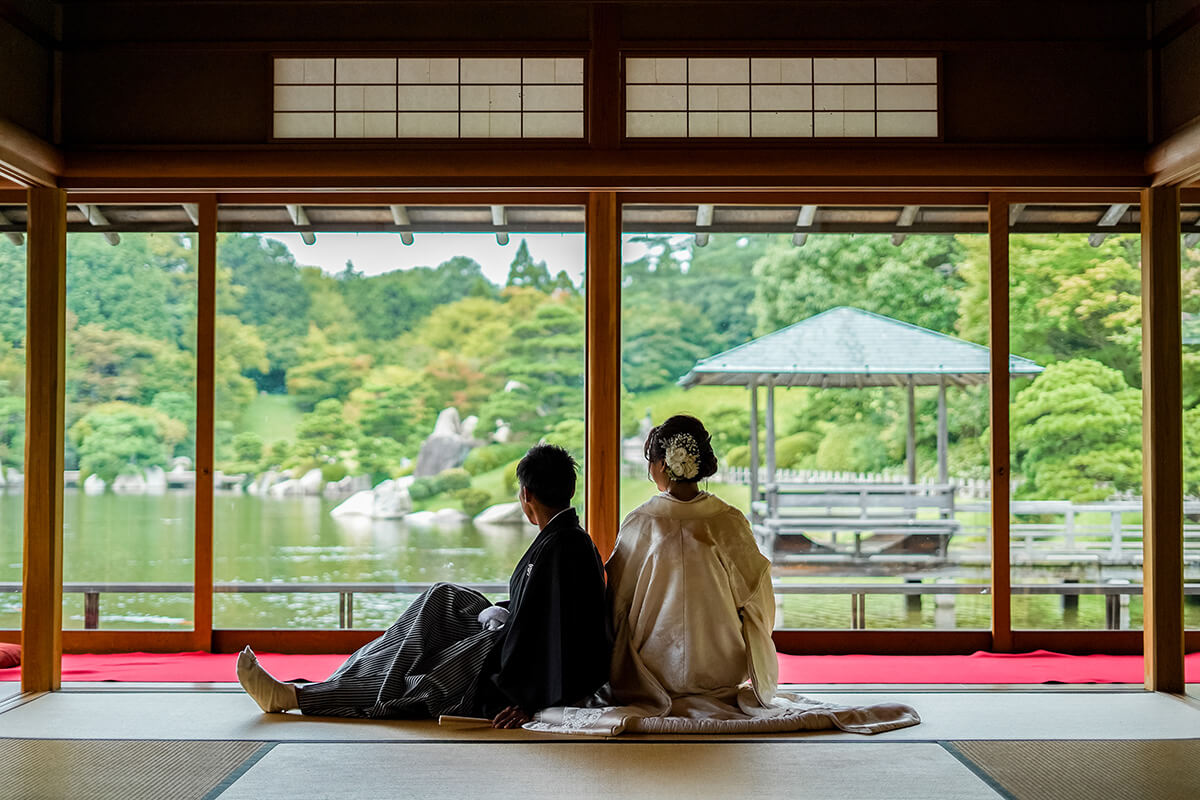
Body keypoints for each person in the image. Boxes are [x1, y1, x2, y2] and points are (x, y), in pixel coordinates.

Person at [528, 415, 919, 736]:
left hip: (650, 671)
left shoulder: (642, 522)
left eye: (651, 462)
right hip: (719, 664)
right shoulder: (728, 521)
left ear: (663, 465)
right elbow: (759, 600)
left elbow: (615, 604)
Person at [236, 443, 612, 728]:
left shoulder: (565, 548)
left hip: (509, 664)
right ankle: (332, 682)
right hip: (509, 634)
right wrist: (499, 612)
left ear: (526, 495)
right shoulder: (563, 539)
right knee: (441, 597)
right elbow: (537, 613)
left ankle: (298, 695)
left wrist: (529, 699)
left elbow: (564, 637)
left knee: (420, 672)